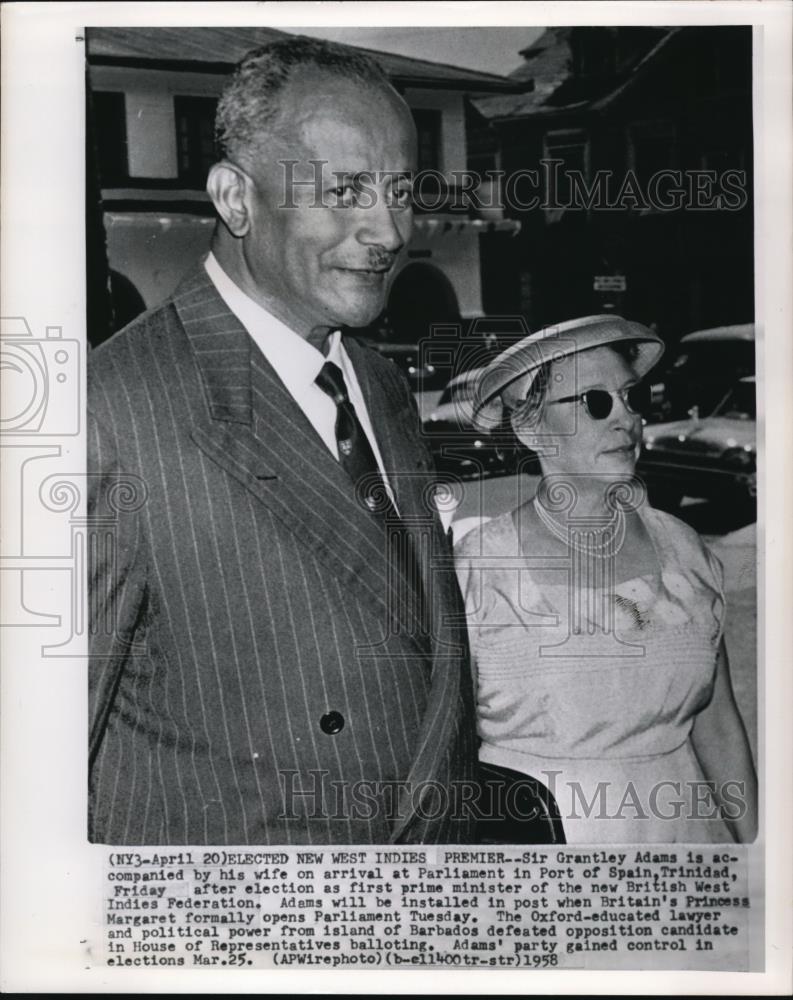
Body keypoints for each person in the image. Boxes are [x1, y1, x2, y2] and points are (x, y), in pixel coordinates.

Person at [87, 37, 478, 845]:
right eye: (344, 190)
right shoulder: (112, 407)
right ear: (235, 198)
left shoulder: (378, 385)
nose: (387, 231)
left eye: (400, 190)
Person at [455, 315, 758, 843]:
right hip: (547, 861)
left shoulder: (684, 546)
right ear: (531, 429)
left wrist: (764, 859)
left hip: (690, 845)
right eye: (596, 403)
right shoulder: (478, 568)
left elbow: (717, 721)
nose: (627, 419)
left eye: (630, 398)